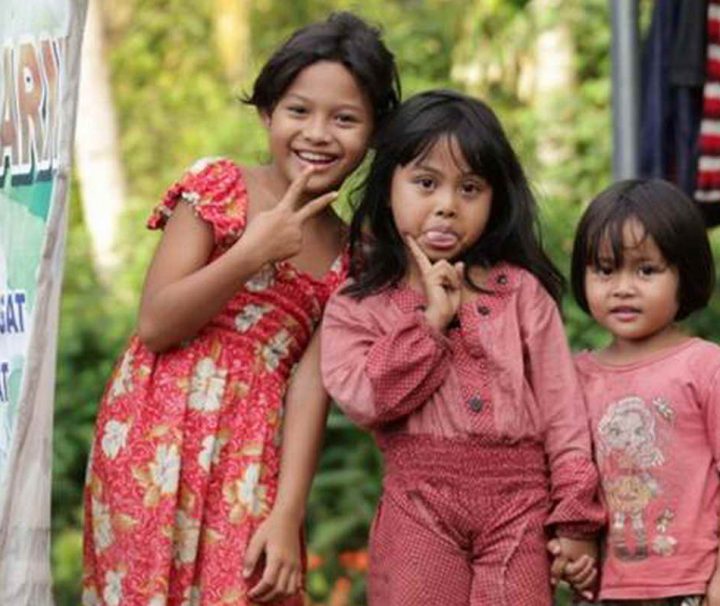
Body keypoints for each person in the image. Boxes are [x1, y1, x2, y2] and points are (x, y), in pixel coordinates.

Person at [81, 12, 400, 606]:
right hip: (153, 427)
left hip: (255, 447)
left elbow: (312, 384)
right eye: (298, 111)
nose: (319, 133)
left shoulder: (354, 255)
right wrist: (249, 253)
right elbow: (155, 325)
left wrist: (288, 513)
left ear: (375, 132)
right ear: (266, 114)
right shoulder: (221, 185)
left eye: (346, 118)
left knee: (251, 589)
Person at [319, 89, 604, 606]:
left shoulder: (519, 292)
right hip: (418, 506)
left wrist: (576, 519)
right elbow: (364, 399)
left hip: (521, 508)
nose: (447, 206)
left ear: (495, 198)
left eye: (470, 188)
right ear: (389, 188)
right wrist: (431, 322)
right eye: (426, 183)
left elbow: (565, 415)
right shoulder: (358, 304)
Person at [552, 179, 720, 605]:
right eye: (605, 270)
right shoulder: (574, 378)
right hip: (605, 591)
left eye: (646, 270)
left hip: (692, 587)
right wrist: (567, 549)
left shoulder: (705, 367)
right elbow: (565, 478)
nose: (622, 287)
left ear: (686, 273)